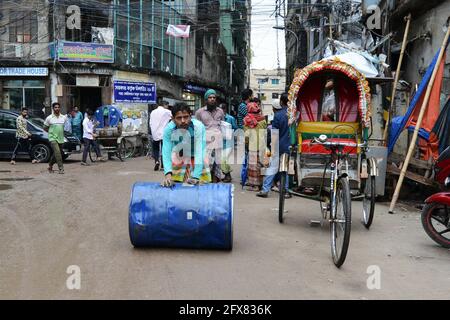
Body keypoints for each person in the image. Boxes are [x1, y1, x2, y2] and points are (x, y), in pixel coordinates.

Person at [161, 102, 211, 187]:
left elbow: (199, 152)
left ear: (191, 116)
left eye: (186, 117)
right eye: (179, 118)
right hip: (180, 157)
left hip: (198, 157)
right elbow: (166, 152)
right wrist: (168, 174)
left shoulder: (198, 127)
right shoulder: (169, 129)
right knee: (176, 187)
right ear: (172, 118)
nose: (183, 121)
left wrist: (196, 176)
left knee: (201, 189)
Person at [257, 93, 291, 198]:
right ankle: (286, 190)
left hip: (278, 145)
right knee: (284, 169)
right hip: (289, 146)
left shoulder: (278, 115)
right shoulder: (293, 114)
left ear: (281, 102)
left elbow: (274, 133)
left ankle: (265, 190)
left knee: (271, 168)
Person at [195, 89, 225, 182]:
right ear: (206, 99)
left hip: (218, 142)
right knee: (207, 165)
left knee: (218, 165)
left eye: (214, 97)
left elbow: (222, 124)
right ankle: (207, 183)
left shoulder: (220, 111)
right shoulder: (199, 112)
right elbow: (197, 127)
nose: (212, 99)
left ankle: (215, 184)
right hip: (206, 143)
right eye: (210, 97)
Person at [243, 100, 267, 191]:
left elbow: (246, 135)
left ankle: (255, 186)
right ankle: (261, 184)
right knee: (260, 165)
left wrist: (246, 143)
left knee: (253, 166)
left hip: (253, 146)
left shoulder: (246, 120)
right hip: (262, 145)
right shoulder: (263, 119)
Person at [44, 102, 67, 174]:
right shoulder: (49, 118)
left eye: (58, 107)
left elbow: (63, 128)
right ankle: (61, 168)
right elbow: (45, 128)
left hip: (61, 138)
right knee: (57, 152)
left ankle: (50, 165)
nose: (57, 108)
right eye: (55, 107)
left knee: (58, 153)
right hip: (52, 138)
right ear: (53, 108)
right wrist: (51, 133)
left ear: (60, 108)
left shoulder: (63, 117)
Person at [149, 100, 172, 171]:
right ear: (165, 105)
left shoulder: (153, 112)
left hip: (154, 133)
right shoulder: (167, 111)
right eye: (167, 106)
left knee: (155, 148)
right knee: (164, 149)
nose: (167, 107)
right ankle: (163, 165)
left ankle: (156, 161)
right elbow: (174, 118)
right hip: (164, 133)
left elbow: (150, 122)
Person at [220, 103, 237, 182]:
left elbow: (235, 129)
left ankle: (228, 175)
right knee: (221, 160)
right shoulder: (217, 119)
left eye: (222, 110)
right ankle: (227, 175)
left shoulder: (230, 118)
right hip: (220, 142)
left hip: (229, 142)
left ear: (225, 110)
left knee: (224, 159)